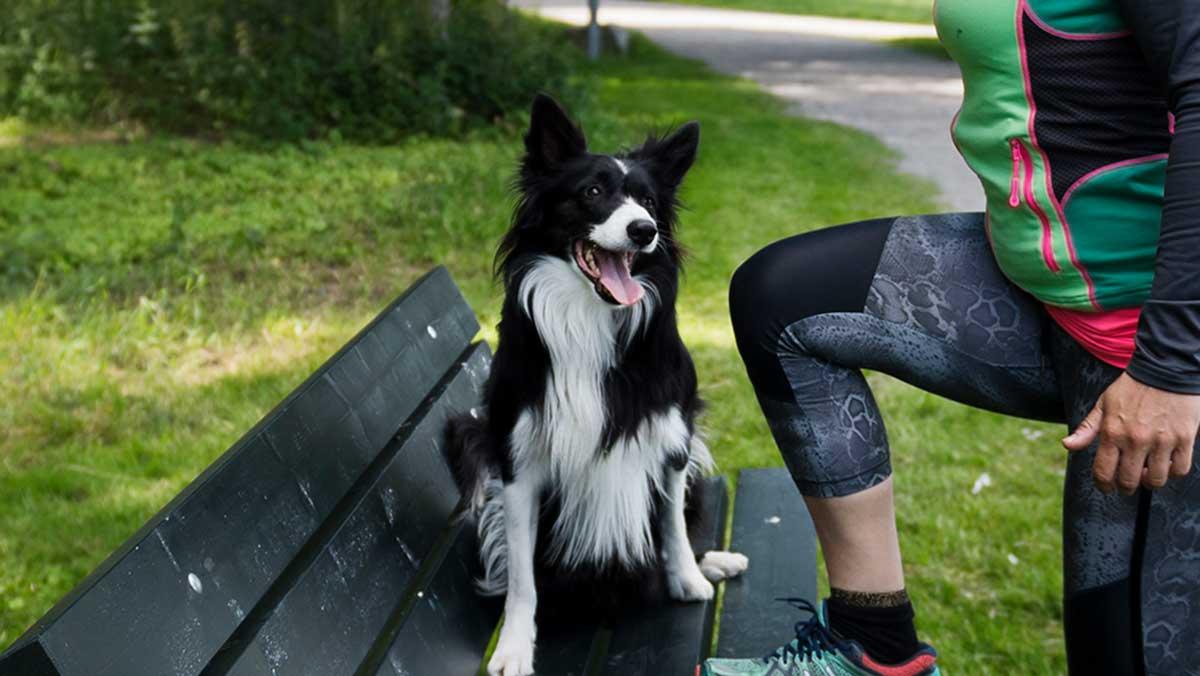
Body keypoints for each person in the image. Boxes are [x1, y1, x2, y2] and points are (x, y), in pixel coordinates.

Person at [702, 1, 1200, 674]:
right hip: (1059, 301)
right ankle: (873, 645)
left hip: (1156, 337)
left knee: (1123, 655)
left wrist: (1172, 370)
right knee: (786, 306)